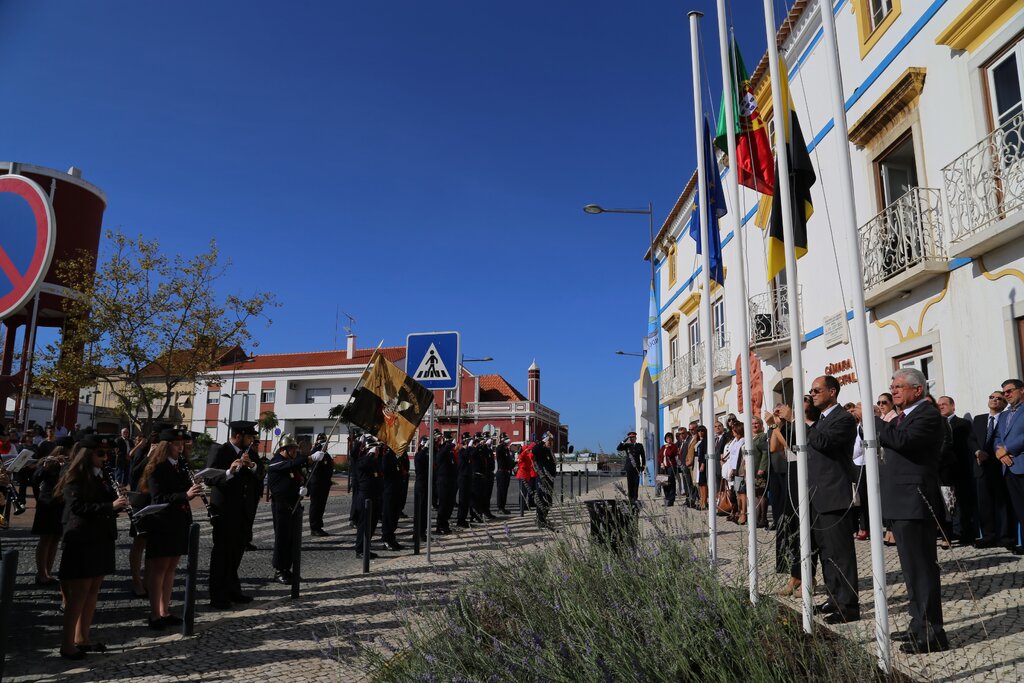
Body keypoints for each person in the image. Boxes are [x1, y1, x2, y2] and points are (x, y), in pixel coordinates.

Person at [874, 368, 949, 652]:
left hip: (915, 500)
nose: (893, 391)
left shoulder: (927, 415)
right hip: (901, 501)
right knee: (911, 571)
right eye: (892, 386)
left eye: (899, 387)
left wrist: (876, 423)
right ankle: (918, 624)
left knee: (922, 570)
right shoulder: (904, 416)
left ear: (917, 390)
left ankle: (932, 634)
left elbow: (902, 441)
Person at [53, 434, 129, 659]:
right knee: (78, 594)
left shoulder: (102, 476)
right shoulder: (74, 476)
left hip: (101, 537)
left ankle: (82, 637)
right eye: (101, 453)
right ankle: (67, 644)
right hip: (82, 539)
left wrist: (118, 504)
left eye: (107, 453)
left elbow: (104, 505)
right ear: (87, 455)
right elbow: (77, 507)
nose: (106, 458)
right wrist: (109, 505)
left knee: (93, 590)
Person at [805, 375, 859, 624]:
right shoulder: (821, 420)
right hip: (818, 494)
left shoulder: (844, 419)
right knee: (826, 552)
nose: (812, 394)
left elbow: (825, 443)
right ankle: (834, 596)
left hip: (835, 493)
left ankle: (848, 605)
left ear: (833, 392)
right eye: (811, 390)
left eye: (817, 390)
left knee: (841, 553)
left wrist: (802, 422)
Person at [140, 428, 204, 629]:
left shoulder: (181, 466)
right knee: (159, 569)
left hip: (179, 520)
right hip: (162, 521)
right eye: (176, 445)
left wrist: (193, 487)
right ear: (166, 447)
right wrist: (185, 495)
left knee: (171, 568)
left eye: (182, 444)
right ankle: (154, 614)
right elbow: (158, 497)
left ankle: (165, 610)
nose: (180, 447)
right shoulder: (157, 467)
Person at [205, 421, 260, 609]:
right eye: (249, 436)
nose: (252, 440)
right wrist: (229, 471)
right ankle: (217, 595)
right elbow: (209, 477)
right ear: (238, 435)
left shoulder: (250, 453)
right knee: (222, 553)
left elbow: (259, 473)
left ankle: (232, 590)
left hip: (244, 510)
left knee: (237, 551)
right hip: (225, 510)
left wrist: (251, 465)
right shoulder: (220, 450)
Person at [971, 390, 1010, 547]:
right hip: (981, 467)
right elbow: (971, 439)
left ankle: (1005, 537)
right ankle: (988, 536)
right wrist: (977, 451)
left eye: (999, 398)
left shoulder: (1007, 418)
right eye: (992, 397)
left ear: (1004, 403)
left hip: (1000, 466)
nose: (994, 400)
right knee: (984, 504)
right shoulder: (979, 419)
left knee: (1003, 503)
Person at [937, 395, 977, 545]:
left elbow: (967, 446)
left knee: (962, 502)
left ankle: (965, 532)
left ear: (953, 406)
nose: (941, 406)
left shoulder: (963, 423)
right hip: (943, 470)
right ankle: (952, 531)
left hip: (960, 468)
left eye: (944, 404)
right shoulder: (936, 425)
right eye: (939, 404)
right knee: (948, 502)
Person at [266, 434, 307, 582]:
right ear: (284, 449)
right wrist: (309, 457)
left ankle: (287, 568)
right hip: (281, 505)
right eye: (293, 449)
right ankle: (279, 570)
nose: (295, 452)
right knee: (282, 538)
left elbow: (299, 477)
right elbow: (292, 465)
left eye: (296, 450)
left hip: (294, 504)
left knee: (292, 539)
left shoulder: (290, 464)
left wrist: (302, 487)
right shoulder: (276, 462)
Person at [32, 443, 69, 586]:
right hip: (47, 504)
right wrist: (45, 468)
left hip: (61, 505)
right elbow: (35, 479)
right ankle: (41, 573)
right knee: (45, 539)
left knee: (55, 539)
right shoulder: (47, 462)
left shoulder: (68, 464)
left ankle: (48, 572)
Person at [995, 378, 1024, 553]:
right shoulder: (1004, 415)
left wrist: (1007, 449)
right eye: (1004, 392)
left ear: (1022, 390)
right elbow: (998, 437)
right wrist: (999, 451)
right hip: (1008, 467)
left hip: (1021, 462)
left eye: (1010, 391)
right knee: (1019, 508)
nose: (1006, 394)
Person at [353, 436, 383, 558]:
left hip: (374, 497)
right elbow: (359, 461)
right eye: (375, 449)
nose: (378, 451)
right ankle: (359, 550)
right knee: (364, 526)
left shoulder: (375, 461)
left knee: (371, 526)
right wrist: (370, 454)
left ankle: (366, 548)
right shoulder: (363, 460)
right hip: (365, 498)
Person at [306, 433, 334, 537]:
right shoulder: (316, 454)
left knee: (321, 506)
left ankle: (318, 526)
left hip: (324, 484)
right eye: (325, 444)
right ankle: (314, 527)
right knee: (316, 506)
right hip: (317, 484)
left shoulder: (324, 454)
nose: (327, 446)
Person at [380, 444, 405, 551]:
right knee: (388, 516)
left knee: (394, 516)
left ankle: (392, 539)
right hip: (389, 491)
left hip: (397, 491)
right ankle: (386, 539)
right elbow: (385, 472)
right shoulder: (387, 457)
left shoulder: (396, 457)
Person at [434, 432, 457, 535]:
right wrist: (448, 445)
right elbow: (439, 457)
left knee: (450, 504)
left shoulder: (449, 452)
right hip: (443, 481)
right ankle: (440, 526)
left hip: (451, 480)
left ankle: (445, 523)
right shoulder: (441, 451)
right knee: (443, 504)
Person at [533, 433, 556, 529]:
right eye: (548, 441)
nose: (550, 443)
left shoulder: (548, 451)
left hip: (549, 479)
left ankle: (543, 518)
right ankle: (540, 520)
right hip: (543, 479)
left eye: (551, 441)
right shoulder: (540, 450)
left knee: (549, 501)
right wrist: (544, 439)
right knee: (542, 499)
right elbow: (534, 450)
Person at [750, 417, 770, 528]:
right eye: (752, 423)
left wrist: (762, 468)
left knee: (761, 494)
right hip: (751, 470)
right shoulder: (750, 437)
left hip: (759, 469)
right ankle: (757, 517)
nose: (754, 425)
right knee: (756, 494)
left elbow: (764, 453)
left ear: (761, 425)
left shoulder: (763, 436)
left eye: (756, 423)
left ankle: (763, 518)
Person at [617, 432, 645, 506]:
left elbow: (643, 456)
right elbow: (618, 448)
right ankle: (630, 499)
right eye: (630, 438)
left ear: (635, 438)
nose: (632, 439)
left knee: (636, 484)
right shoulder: (627, 446)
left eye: (633, 437)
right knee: (630, 484)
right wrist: (624, 440)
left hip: (637, 468)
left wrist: (643, 466)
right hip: (629, 467)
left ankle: (635, 498)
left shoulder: (640, 446)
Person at [455, 432, 475, 528]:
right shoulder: (461, 452)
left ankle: (463, 519)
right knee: (462, 500)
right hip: (462, 478)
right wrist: (470, 447)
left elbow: (473, 455)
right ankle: (460, 520)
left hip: (468, 477)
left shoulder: (467, 451)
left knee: (466, 500)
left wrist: (471, 447)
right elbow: (466, 456)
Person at [495, 435, 514, 514]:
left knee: (505, 491)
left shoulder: (506, 450)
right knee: (501, 491)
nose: (508, 443)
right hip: (501, 472)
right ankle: (500, 508)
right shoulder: (500, 448)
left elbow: (509, 461)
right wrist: (502, 444)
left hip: (506, 472)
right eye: (506, 441)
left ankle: (503, 507)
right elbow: (498, 451)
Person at [658, 433, 678, 507]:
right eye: (667, 438)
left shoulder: (674, 446)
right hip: (663, 467)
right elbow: (659, 456)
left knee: (671, 483)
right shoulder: (663, 446)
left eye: (670, 438)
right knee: (663, 482)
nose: (668, 439)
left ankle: (671, 500)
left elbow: (670, 454)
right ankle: (666, 498)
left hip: (671, 466)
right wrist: (661, 463)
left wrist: (669, 447)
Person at [516, 440, 537, 510]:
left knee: (525, 492)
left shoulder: (528, 456)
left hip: (526, 475)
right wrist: (525, 451)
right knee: (523, 491)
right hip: (523, 475)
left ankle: (524, 505)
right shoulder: (523, 456)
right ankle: (522, 506)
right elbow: (521, 459)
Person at [693, 426, 708, 510]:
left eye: (702, 431)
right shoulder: (698, 441)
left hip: (702, 462)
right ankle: (701, 499)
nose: (700, 432)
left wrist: (703, 463)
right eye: (699, 431)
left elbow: (705, 453)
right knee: (699, 483)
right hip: (696, 462)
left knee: (703, 482)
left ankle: (704, 501)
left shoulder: (705, 441)